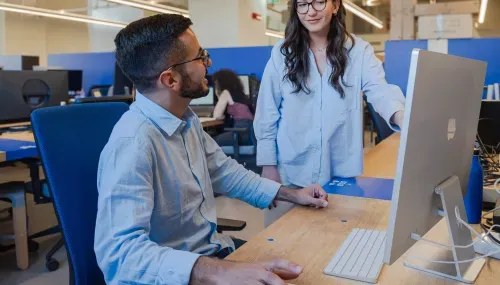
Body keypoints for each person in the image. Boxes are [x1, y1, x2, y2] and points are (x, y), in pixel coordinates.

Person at [94, 14, 330, 285]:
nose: (209, 63)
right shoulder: (133, 143)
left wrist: (292, 194)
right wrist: (220, 272)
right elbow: (121, 256)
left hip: (211, 254)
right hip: (178, 276)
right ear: (171, 80)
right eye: (200, 57)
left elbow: (224, 171)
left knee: (312, 262)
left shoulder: (185, 121)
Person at [254, 0, 406, 226]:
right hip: (291, 174)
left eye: (318, 2)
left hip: (339, 176)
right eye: (303, 4)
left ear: (335, 6)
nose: (310, 11)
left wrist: (402, 117)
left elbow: (380, 90)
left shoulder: (358, 51)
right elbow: (267, 112)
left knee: (333, 249)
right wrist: (268, 166)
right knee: (285, 249)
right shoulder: (282, 54)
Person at [211, 69, 255, 147]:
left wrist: (218, 94)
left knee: (209, 143)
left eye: (216, 84)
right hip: (249, 134)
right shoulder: (241, 95)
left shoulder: (225, 93)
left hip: (239, 134)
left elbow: (217, 115)